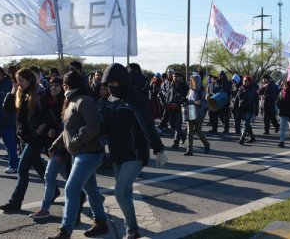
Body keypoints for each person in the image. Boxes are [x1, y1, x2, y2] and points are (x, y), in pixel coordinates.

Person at [100, 63, 168, 239]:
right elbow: (104, 128)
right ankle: (133, 228)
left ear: (123, 81)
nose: (113, 86)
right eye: (110, 83)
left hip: (135, 152)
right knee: (126, 192)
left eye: (116, 82)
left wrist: (158, 149)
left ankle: (132, 230)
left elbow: (147, 125)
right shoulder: (109, 101)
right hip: (116, 153)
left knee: (120, 192)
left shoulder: (135, 98)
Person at [47, 71, 108, 239]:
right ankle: (101, 223)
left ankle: (65, 230)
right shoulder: (73, 100)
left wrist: (75, 142)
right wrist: (57, 143)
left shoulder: (84, 101)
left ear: (67, 86)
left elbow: (94, 127)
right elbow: (68, 128)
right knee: (92, 191)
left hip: (88, 153)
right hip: (80, 152)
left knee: (71, 189)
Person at [0, 68, 48, 212]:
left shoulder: (39, 93)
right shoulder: (20, 92)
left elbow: (45, 113)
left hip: (36, 137)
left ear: (30, 80)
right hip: (24, 136)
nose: (18, 83)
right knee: (39, 167)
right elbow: (7, 109)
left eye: (21, 80)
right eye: (17, 80)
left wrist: (43, 126)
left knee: (22, 169)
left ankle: (15, 202)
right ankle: (54, 190)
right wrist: (12, 93)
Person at [28, 76, 67, 220]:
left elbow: (67, 126)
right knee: (58, 176)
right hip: (52, 145)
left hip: (64, 146)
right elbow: (46, 119)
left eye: (57, 85)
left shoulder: (66, 102)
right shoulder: (46, 102)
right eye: (52, 86)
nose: (54, 88)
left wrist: (55, 132)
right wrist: (46, 127)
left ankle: (44, 209)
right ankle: (94, 196)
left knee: (54, 176)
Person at [182, 72, 211, 155]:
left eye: (192, 80)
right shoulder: (190, 90)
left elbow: (205, 102)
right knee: (189, 132)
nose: (191, 81)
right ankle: (189, 150)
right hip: (190, 110)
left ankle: (207, 144)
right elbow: (188, 99)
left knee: (198, 131)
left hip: (199, 113)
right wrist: (184, 101)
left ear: (197, 81)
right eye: (191, 80)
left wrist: (199, 102)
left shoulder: (201, 91)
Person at [160, 71, 188, 148]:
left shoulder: (183, 85)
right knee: (172, 125)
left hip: (179, 107)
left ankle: (176, 142)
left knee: (178, 125)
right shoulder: (170, 84)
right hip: (170, 107)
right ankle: (182, 134)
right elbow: (167, 94)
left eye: (177, 76)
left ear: (180, 77)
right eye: (174, 76)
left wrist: (180, 100)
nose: (175, 77)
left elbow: (184, 96)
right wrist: (166, 102)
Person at [236, 76, 259, 144]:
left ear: (249, 81)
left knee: (245, 124)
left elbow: (256, 101)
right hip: (242, 109)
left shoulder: (253, 89)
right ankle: (252, 137)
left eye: (246, 80)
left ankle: (242, 138)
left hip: (249, 109)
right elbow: (237, 98)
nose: (244, 82)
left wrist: (256, 111)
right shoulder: (240, 88)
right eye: (244, 80)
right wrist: (234, 108)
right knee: (247, 124)